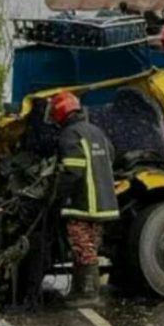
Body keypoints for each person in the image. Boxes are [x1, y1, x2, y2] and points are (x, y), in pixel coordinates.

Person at [50, 91, 119, 307]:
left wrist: (56, 194)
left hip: (82, 202)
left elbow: (73, 170)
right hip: (103, 202)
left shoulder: (70, 134)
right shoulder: (96, 132)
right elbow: (112, 155)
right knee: (90, 245)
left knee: (82, 245)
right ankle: (83, 291)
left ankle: (87, 294)